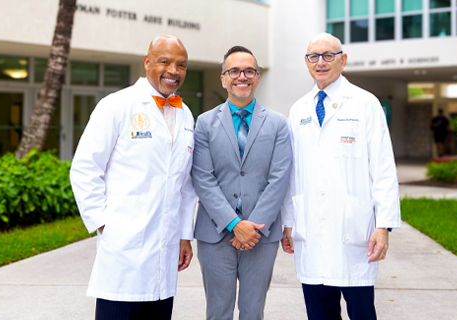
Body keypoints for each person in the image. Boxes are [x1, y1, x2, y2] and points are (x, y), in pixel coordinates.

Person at [70, 35, 196, 320]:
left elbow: (185, 184)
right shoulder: (116, 105)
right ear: (147, 62)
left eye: (181, 65)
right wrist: (103, 224)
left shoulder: (186, 115)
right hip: (123, 253)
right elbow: (85, 168)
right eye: (165, 61)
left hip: (165, 253)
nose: (173, 71)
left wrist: (184, 236)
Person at [281, 33, 401, 320]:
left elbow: (383, 169)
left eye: (328, 55)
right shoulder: (299, 110)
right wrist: (288, 223)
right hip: (310, 230)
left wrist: (383, 226)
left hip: (354, 234)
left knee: (361, 312)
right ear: (307, 62)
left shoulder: (365, 103)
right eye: (314, 56)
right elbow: (291, 172)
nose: (320, 62)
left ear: (343, 60)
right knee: (319, 313)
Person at [192, 46, 292, 320]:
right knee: (218, 312)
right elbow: (202, 177)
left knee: (252, 312)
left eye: (249, 71)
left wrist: (253, 226)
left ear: (257, 77)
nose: (242, 76)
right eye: (234, 71)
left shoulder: (277, 124)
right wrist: (235, 225)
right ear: (223, 79)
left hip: (262, 234)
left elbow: (279, 178)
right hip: (216, 233)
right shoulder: (204, 123)